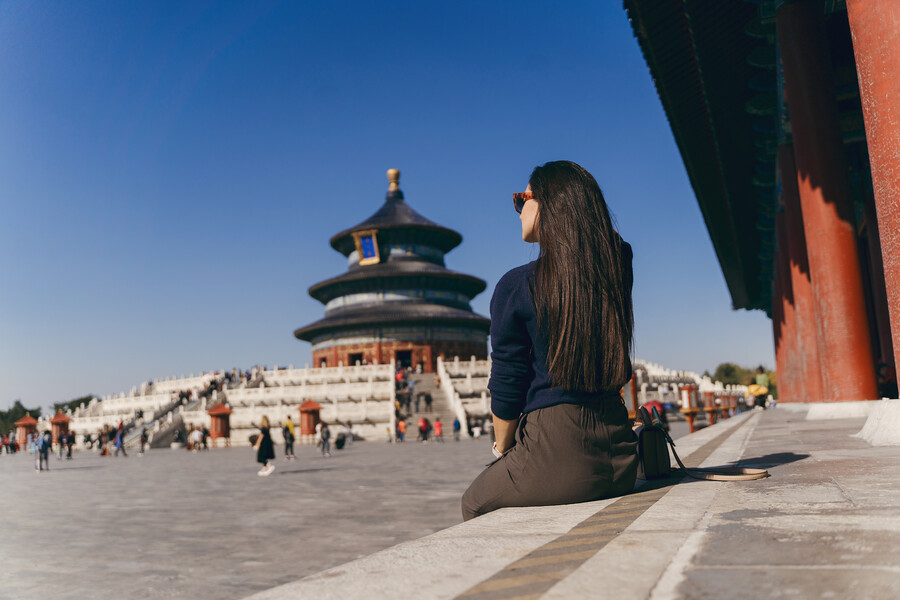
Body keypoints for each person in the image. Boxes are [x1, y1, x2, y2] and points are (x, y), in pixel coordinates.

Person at [462, 161, 638, 521]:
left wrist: (502, 448)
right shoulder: (617, 268)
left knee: (475, 503)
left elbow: (508, 385)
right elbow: (612, 246)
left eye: (521, 199)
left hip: (558, 448)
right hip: (620, 452)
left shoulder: (517, 286)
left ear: (550, 203)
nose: (517, 209)